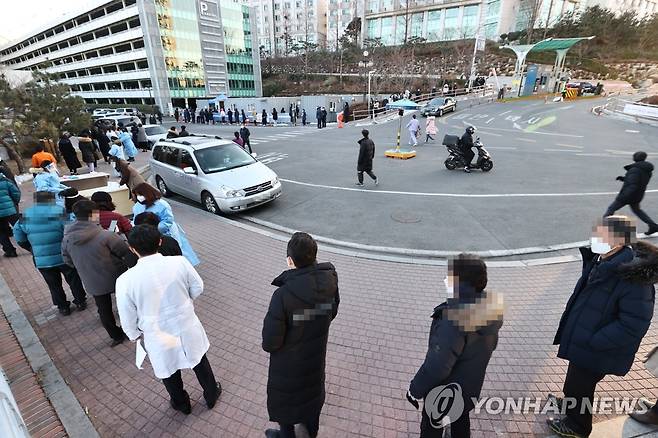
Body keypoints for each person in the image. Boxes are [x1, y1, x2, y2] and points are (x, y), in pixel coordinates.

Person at [547, 216, 656, 438]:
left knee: (579, 387)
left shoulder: (631, 277)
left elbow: (634, 324)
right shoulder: (602, 260)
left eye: (602, 235)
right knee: (575, 385)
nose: (596, 238)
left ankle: (577, 426)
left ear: (619, 241)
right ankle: (571, 405)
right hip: (586, 339)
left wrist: (595, 340)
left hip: (598, 347)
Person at [116, 225, 221, 415]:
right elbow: (197, 287)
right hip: (186, 323)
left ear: (132, 248)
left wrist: (133, 334)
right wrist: (185, 301)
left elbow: (127, 314)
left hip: (156, 332)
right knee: (199, 360)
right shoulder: (179, 263)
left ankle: (181, 404)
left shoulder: (125, 280)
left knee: (169, 369)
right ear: (160, 241)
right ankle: (211, 394)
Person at [407, 254, 502, 438]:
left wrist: (415, 389)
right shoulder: (489, 311)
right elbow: (491, 346)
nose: (446, 280)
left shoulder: (454, 319)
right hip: (468, 389)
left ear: (461, 284)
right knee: (460, 419)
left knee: (432, 426)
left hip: (442, 393)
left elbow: (437, 367)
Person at [263, 232, 339, 438]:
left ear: (290, 261)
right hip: (315, 361)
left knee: (287, 411)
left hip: (289, 369)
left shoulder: (283, 296)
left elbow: (270, 342)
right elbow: (331, 311)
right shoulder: (329, 281)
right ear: (314, 255)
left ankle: (284, 435)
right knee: (312, 403)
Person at [61, 200, 136, 347]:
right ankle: (132, 329)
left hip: (91, 280)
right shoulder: (105, 235)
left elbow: (67, 261)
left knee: (103, 309)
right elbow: (125, 253)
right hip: (117, 276)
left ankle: (116, 335)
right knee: (127, 304)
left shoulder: (67, 238)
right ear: (94, 214)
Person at [13, 191, 87, 315]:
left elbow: (19, 238)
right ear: (51, 200)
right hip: (64, 255)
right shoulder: (61, 212)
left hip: (42, 259)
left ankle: (63, 307)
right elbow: (71, 231)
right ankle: (80, 301)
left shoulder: (24, 216)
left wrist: (32, 249)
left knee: (53, 284)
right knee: (73, 278)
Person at [131, 183, 199, 266]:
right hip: (147, 234)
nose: (138, 197)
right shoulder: (137, 206)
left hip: (165, 232)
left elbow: (168, 221)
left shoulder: (162, 204)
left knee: (172, 251)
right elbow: (135, 219)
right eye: (137, 195)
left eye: (140, 194)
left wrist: (153, 230)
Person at [604, 151, 658, 235]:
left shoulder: (635, 170)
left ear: (636, 158)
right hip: (638, 195)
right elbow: (637, 180)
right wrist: (624, 178)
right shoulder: (646, 170)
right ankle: (653, 226)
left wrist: (623, 196)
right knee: (638, 211)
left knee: (611, 209)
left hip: (628, 196)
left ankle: (605, 230)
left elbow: (633, 185)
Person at [0, 172, 20, 257]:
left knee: (1, 232)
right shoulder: (4, 180)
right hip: (10, 210)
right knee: (20, 227)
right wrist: (14, 203)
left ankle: (10, 251)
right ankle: (30, 246)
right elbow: (16, 193)